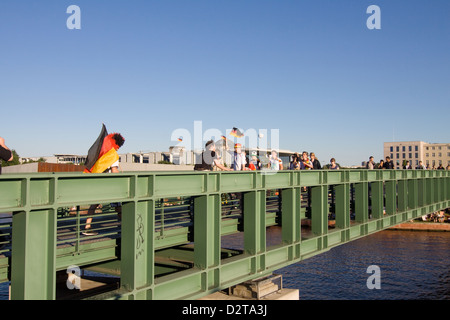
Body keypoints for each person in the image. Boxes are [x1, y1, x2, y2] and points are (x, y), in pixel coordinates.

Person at [83, 132, 125, 235]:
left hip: (100, 184)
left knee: (94, 205)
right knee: (118, 207)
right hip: (110, 186)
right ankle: (125, 225)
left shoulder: (103, 155)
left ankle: (87, 227)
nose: (119, 148)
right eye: (119, 146)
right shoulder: (113, 155)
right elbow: (114, 170)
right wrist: (123, 176)